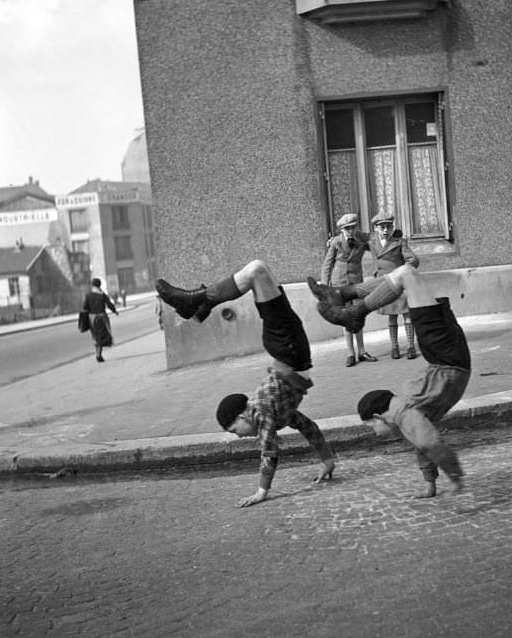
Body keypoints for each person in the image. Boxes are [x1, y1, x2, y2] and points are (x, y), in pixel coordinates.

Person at [155, 260, 336, 508]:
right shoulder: (278, 412)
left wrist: (262, 491)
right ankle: (200, 305)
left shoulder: (262, 411)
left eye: (234, 430)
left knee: (256, 271)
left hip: (288, 348)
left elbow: (269, 452)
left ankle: (198, 302)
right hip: (290, 348)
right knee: (259, 272)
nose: (239, 436)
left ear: (243, 415)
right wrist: (327, 460)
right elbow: (309, 427)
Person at [307, 264, 471, 497]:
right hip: (445, 354)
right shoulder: (406, 413)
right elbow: (422, 443)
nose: (374, 432)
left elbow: (429, 442)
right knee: (407, 276)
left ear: (378, 416)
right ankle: (343, 297)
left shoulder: (405, 415)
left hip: (447, 354)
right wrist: (430, 483)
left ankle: (353, 311)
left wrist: (453, 476)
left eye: (371, 426)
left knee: (406, 275)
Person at [321, 213, 377, 368]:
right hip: (340, 283)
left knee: (358, 315)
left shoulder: (361, 238)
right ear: (342, 230)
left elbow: (376, 237)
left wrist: (395, 236)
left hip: (356, 283)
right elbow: (327, 265)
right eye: (347, 229)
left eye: (353, 227)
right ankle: (350, 353)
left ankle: (362, 351)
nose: (351, 231)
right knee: (346, 317)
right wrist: (324, 287)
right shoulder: (336, 242)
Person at [369, 210, 420, 360]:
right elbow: (354, 240)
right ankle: (395, 347)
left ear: (393, 227)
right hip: (385, 283)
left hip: (400, 283)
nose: (386, 230)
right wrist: (334, 241)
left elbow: (413, 260)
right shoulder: (372, 243)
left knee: (407, 315)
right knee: (391, 316)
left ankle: (411, 347)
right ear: (376, 228)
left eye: (389, 227)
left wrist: (403, 271)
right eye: (382, 227)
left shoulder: (399, 242)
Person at [82, 278, 118, 362]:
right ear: (99, 285)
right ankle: (99, 355)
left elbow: (84, 307)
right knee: (101, 336)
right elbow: (109, 304)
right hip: (102, 317)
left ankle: (98, 354)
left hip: (92, 318)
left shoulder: (88, 295)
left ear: (92, 285)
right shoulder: (102, 294)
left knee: (95, 336)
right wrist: (115, 311)